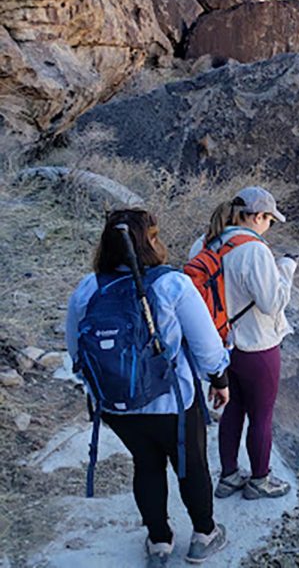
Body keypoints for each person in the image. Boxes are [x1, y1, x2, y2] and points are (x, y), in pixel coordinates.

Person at [66, 209, 230, 567]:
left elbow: (77, 353)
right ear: (149, 242)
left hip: (117, 407)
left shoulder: (88, 288)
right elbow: (207, 349)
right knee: (190, 464)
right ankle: (204, 535)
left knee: (147, 464)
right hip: (173, 402)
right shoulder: (172, 284)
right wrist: (219, 380)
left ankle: (159, 543)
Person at [188, 186, 297, 501]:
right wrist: (287, 270)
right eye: (269, 220)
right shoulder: (254, 249)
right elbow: (271, 303)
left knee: (232, 408)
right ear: (258, 216)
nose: (268, 226)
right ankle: (260, 480)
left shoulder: (204, 242)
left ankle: (229, 476)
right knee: (261, 414)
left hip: (219, 344)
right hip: (257, 346)